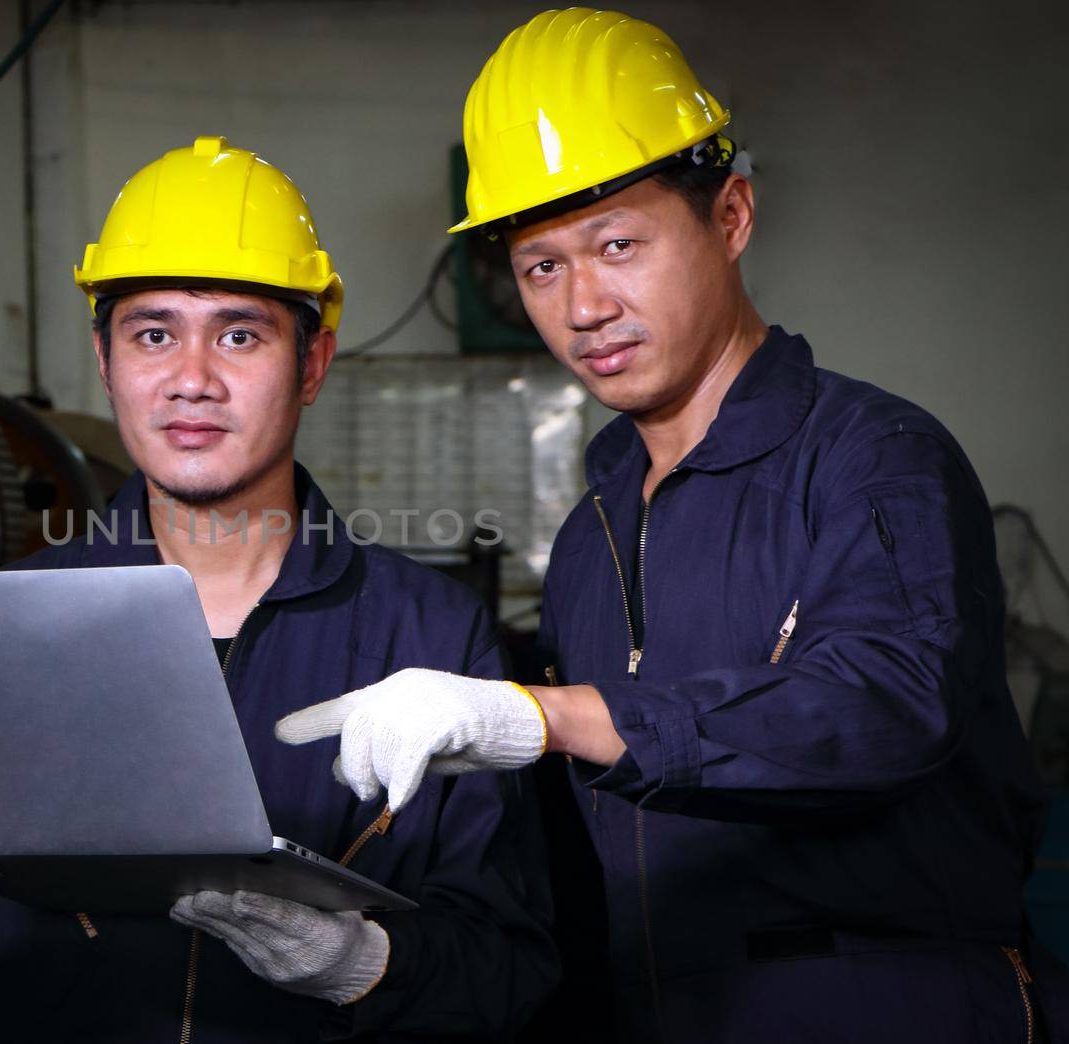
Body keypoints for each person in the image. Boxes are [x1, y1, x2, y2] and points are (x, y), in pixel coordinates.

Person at [277, 9, 1062, 1042]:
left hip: (891, 1006)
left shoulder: (871, 457)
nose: (583, 304)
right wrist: (363, 950)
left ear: (730, 216)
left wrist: (545, 716)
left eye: (617, 244)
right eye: (540, 265)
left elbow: (884, 706)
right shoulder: (594, 534)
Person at [0, 135, 556, 1041]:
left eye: (240, 333)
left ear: (312, 364)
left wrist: (367, 967)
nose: (192, 379)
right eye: (153, 333)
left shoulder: (431, 636)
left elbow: (514, 976)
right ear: (105, 359)